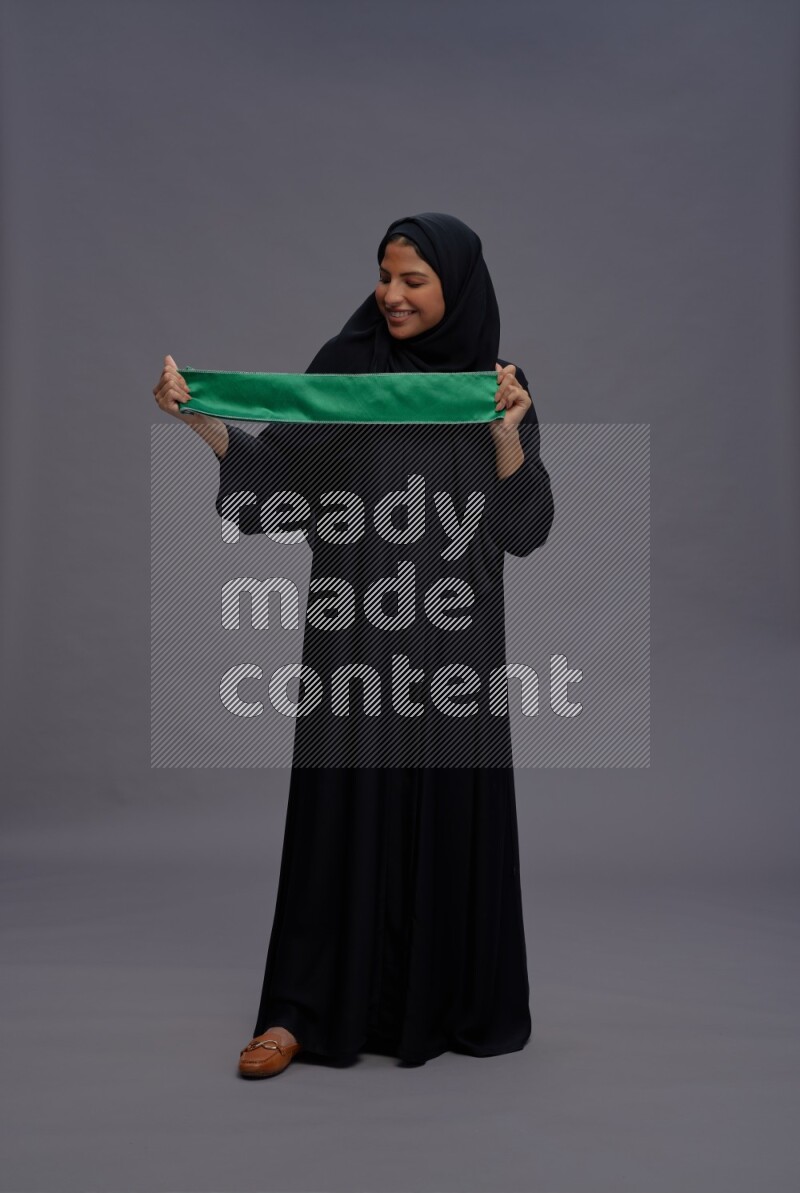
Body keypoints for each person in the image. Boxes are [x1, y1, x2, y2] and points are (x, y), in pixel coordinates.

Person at [152, 212, 555, 1078]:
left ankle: (441, 1003)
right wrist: (201, 420)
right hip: (355, 637)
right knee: (341, 812)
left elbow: (525, 529)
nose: (392, 294)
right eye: (384, 275)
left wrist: (505, 434)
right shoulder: (348, 370)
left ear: (457, 288)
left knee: (447, 812)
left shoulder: (498, 388)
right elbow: (273, 489)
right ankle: (298, 1010)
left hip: (456, 645)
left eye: (413, 279)